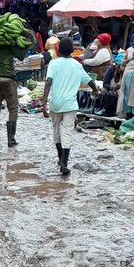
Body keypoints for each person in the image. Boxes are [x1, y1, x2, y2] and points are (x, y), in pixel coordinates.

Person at [42, 36, 95, 176]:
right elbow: (89, 80)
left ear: (58, 50)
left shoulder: (53, 64)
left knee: (56, 131)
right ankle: (64, 163)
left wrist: (43, 103)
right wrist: (95, 91)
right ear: (72, 50)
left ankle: (60, 159)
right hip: (70, 105)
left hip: (55, 104)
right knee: (67, 132)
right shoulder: (77, 65)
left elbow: (48, 82)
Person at [0, 25, 33, 149]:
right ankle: (11, 139)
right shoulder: (10, 44)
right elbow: (21, 56)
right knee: (13, 109)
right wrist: (28, 39)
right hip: (8, 79)